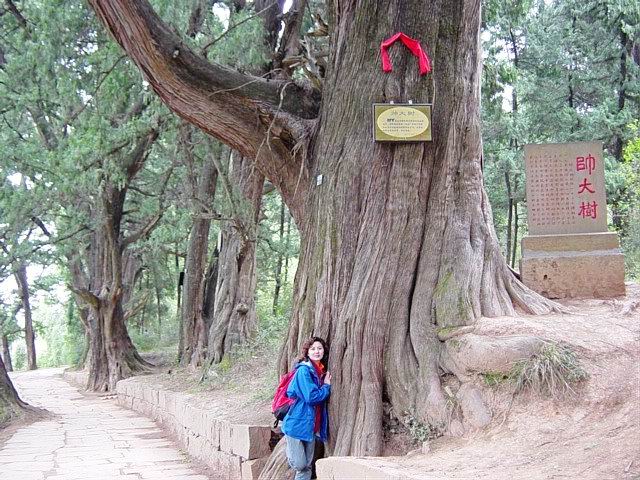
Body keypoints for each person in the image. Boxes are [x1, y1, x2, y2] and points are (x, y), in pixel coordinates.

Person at [281, 337, 332, 480]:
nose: (317, 351)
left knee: (307, 467)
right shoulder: (304, 371)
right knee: (300, 464)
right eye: (313, 349)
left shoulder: (319, 370)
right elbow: (311, 397)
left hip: (311, 426)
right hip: (296, 424)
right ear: (307, 352)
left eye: (320, 348)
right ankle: (291, 455)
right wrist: (326, 386)